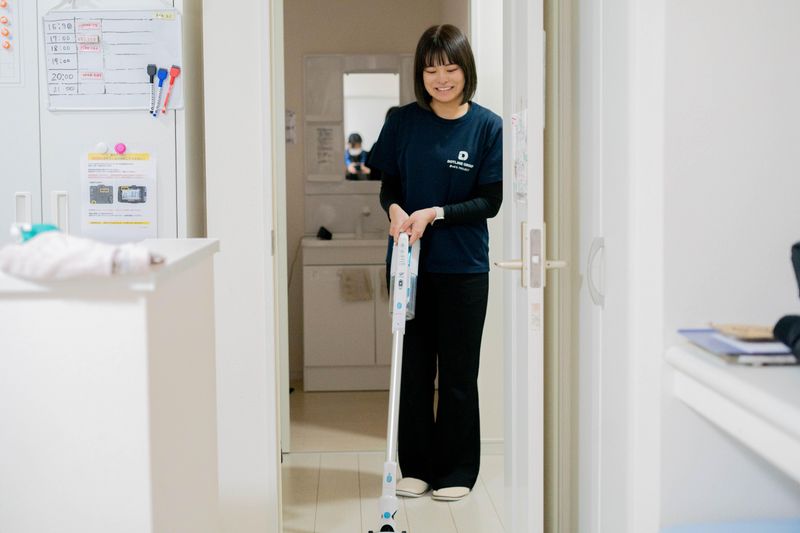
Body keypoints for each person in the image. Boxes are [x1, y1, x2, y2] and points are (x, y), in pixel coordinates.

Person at [368, 24, 502, 502]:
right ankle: (417, 468)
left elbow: (490, 202)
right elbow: (389, 185)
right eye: (431, 71)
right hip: (409, 267)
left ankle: (457, 471)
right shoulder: (402, 122)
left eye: (450, 69)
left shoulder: (487, 126)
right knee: (413, 371)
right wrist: (395, 209)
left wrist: (435, 213)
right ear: (420, 75)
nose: (441, 79)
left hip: (464, 270)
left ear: (466, 70)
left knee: (459, 376)